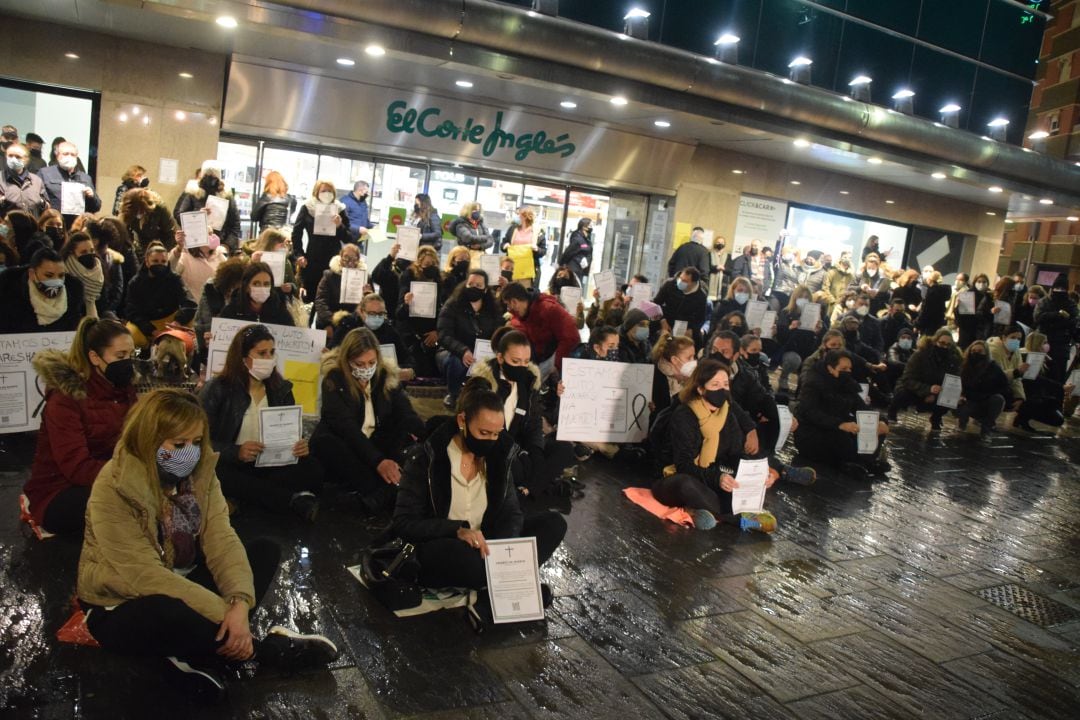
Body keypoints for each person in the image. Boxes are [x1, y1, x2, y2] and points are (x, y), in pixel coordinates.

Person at [77, 388, 338, 702]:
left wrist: (239, 603)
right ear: (149, 439)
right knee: (166, 611)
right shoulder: (114, 486)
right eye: (178, 444)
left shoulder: (199, 473)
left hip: (181, 579)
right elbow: (144, 576)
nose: (191, 452)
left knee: (264, 550)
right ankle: (263, 650)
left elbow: (221, 539)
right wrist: (227, 615)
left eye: (197, 442)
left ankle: (192, 654)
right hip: (118, 602)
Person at [393, 377, 567, 599]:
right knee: (462, 558)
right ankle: (509, 585)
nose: (491, 440)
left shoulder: (499, 456)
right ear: (462, 421)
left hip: (486, 544)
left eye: (496, 433)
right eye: (484, 433)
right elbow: (404, 523)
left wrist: (504, 550)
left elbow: (512, 513)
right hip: (445, 544)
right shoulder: (427, 459)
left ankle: (500, 579)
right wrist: (456, 529)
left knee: (553, 524)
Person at [21, 318, 137, 537]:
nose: (128, 363)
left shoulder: (124, 390)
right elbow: (76, 467)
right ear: (94, 357)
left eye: (132, 355)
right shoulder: (65, 400)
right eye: (121, 356)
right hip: (57, 490)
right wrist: (130, 476)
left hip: (109, 476)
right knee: (124, 511)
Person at [200, 325, 323, 520]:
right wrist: (236, 451)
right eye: (261, 353)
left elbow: (291, 431)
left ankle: (246, 499)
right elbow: (200, 441)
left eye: (272, 352)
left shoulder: (281, 388)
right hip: (231, 463)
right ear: (242, 358)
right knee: (219, 474)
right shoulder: (217, 389)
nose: (268, 359)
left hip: (269, 463)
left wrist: (299, 445)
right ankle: (290, 501)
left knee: (312, 469)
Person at [651, 358, 778, 532]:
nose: (722, 389)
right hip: (675, 476)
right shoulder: (684, 415)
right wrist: (717, 478)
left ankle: (698, 511)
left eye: (726, 384)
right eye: (715, 384)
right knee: (686, 485)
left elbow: (735, 455)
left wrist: (757, 474)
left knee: (734, 485)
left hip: (712, 476)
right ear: (700, 388)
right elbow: (684, 465)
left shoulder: (727, 413)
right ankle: (737, 520)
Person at [310, 328, 424, 514]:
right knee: (370, 474)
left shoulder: (384, 376)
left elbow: (404, 411)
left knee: (409, 453)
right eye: (359, 364)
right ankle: (385, 495)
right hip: (345, 444)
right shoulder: (335, 380)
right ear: (347, 362)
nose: (366, 369)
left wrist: (421, 433)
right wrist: (378, 461)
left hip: (374, 441)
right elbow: (346, 427)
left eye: (371, 363)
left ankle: (378, 498)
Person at [470, 329, 577, 497]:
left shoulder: (528, 382)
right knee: (514, 467)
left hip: (521, 445)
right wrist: (519, 453)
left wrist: (536, 451)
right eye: (515, 361)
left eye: (526, 362)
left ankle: (528, 489)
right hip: (494, 445)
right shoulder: (484, 384)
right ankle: (539, 486)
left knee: (564, 450)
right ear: (500, 358)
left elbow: (533, 422)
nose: (521, 367)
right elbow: (489, 429)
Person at [794, 349, 890, 478]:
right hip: (813, 432)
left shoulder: (847, 384)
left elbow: (860, 407)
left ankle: (865, 461)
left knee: (876, 425)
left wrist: (879, 420)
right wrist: (840, 424)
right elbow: (810, 413)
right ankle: (855, 462)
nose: (848, 372)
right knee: (840, 437)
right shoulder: (813, 383)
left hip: (840, 426)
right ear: (830, 368)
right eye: (844, 368)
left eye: (849, 369)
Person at [437, 268, 503, 407]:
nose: (474, 287)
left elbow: (499, 330)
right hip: (452, 351)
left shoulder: (493, 309)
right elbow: (444, 335)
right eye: (471, 284)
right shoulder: (452, 305)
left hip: (484, 351)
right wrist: (462, 350)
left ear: (485, 289)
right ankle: (453, 394)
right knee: (457, 361)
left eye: (478, 285)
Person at [124, 242, 197, 349]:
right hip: (147, 322)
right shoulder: (135, 283)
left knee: (192, 324)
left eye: (163, 261)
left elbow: (190, 303)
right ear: (147, 262)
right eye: (155, 261)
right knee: (133, 335)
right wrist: (151, 331)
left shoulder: (175, 279)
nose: (160, 264)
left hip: (171, 321)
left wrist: (178, 322)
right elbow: (132, 312)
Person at [888, 328, 961, 431]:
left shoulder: (953, 359)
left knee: (949, 399)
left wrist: (938, 394)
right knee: (902, 393)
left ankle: (936, 418)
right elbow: (907, 378)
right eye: (942, 343)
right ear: (935, 341)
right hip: (916, 388)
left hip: (938, 391)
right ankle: (892, 410)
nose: (944, 347)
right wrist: (927, 390)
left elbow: (953, 380)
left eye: (948, 345)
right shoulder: (920, 355)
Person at [502, 281, 581, 376]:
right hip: (536, 358)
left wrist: (556, 366)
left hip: (553, 359)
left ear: (514, 302)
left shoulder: (549, 309)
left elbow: (571, 337)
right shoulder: (521, 314)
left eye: (508, 305)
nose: (509, 309)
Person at [0, 246, 86, 333]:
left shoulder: (73, 291)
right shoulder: (8, 290)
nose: (56, 281)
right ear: (32, 274)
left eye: (61, 276)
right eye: (49, 275)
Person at [291, 180, 351, 294]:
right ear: (316, 192)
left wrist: (339, 226)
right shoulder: (308, 207)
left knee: (330, 294)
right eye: (323, 191)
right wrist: (299, 254)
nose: (327, 193)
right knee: (310, 294)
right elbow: (296, 233)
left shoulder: (339, 208)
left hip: (334, 260)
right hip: (312, 258)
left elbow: (348, 238)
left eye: (329, 191)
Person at [397, 246, 444, 377]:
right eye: (427, 264)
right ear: (419, 264)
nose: (431, 266)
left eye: (434, 264)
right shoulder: (408, 278)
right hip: (411, 333)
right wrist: (406, 304)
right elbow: (399, 314)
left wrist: (437, 332)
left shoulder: (441, 281)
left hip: (433, 333)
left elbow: (446, 313)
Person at [173, 162, 242, 251]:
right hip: (195, 243)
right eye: (207, 174)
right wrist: (198, 216)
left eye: (213, 175)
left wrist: (227, 246)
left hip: (219, 245)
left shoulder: (226, 195)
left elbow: (235, 224)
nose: (210, 178)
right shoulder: (192, 192)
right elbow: (179, 215)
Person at [36, 141, 101, 227]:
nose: (69, 157)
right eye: (65, 154)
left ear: (77, 157)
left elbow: (96, 207)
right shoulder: (45, 173)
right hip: (53, 225)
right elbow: (36, 200)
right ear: (57, 155)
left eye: (73, 155)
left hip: (77, 227)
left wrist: (91, 197)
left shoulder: (85, 178)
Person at [956, 340, 1010, 441]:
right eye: (974, 351)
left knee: (998, 399)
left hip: (986, 400)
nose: (976, 353)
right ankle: (961, 424)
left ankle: (986, 429)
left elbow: (1004, 386)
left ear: (986, 353)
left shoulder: (993, 367)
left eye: (980, 351)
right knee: (964, 406)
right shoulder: (964, 366)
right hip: (968, 399)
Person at [775, 285, 825, 393]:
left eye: (806, 297)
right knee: (793, 359)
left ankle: (804, 386)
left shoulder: (816, 316)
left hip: (807, 350)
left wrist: (818, 331)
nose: (804, 299)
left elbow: (820, 340)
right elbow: (780, 337)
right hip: (790, 350)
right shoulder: (786, 313)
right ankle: (783, 378)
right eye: (800, 297)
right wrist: (790, 328)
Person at [220, 261, 295, 327]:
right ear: (246, 287)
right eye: (256, 284)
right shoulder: (230, 312)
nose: (262, 288)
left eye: (266, 284)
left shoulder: (280, 312)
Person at [1034, 273, 1078, 382]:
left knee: (1057, 378)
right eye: (1057, 288)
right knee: (1040, 375)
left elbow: (1074, 322)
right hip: (1044, 343)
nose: (1059, 291)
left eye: (1062, 289)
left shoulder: (1070, 304)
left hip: (1061, 346)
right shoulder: (1044, 301)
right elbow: (1038, 318)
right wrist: (1058, 315)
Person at [313, 242, 366, 329]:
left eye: (354, 258)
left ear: (358, 259)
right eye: (346, 257)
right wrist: (329, 322)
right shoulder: (329, 275)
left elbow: (368, 301)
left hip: (355, 323)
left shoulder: (364, 277)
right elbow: (320, 301)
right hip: (331, 321)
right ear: (340, 257)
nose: (350, 262)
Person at [653, 266, 708, 348]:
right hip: (666, 323)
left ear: (693, 283)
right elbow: (656, 304)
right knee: (664, 342)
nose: (680, 282)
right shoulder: (669, 285)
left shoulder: (701, 296)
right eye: (680, 278)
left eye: (685, 281)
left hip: (685, 328)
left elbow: (700, 318)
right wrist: (662, 320)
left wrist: (691, 329)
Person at [169, 226, 227, 301]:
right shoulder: (185, 255)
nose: (212, 237)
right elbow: (171, 269)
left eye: (212, 233)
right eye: (208, 234)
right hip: (193, 304)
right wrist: (179, 248)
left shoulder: (220, 254)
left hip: (216, 304)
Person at [61, 231, 105, 319]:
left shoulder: (99, 270)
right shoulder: (63, 273)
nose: (89, 254)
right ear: (72, 253)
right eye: (83, 252)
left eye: (92, 250)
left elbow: (104, 302)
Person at [652, 333, 697, 414]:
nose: (693, 361)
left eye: (694, 357)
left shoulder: (691, 377)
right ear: (675, 360)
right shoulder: (655, 379)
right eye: (689, 358)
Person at [1, 143, 48, 217]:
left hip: (32, 225)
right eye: (10, 156)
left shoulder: (36, 180)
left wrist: (41, 202)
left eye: (18, 157)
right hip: (7, 226)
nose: (13, 159)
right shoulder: (1, 178)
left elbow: (46, 207)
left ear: (26, 159)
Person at [502, 207, 546, 286]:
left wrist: (536, 249)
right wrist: (505, 245)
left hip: (528, 271)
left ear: (526, 217)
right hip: (512, 269)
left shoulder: (538, 232)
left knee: (524, 293)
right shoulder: (513, 229)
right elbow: (504, 242)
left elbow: (543, 251)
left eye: (519, 215)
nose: (518, 217)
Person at [956, 273, 992, 349]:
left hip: (982, 331)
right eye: (979, 281)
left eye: (984, 282)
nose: (981, 284)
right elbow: (960, 315)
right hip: (967, 330)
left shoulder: (990, 297)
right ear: (974, 282)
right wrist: (959, 306)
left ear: (988, 283)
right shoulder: (968, 294)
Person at [559, 218, 594, 286]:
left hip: (582, 269)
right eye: (590, 225)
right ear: (584, 227)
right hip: (574, 268)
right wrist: (561, 264)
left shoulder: (587, 239)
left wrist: (587, 260)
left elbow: (589, 253)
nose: (591, 227)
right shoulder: (577, 238)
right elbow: (568, 252)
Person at [915, 271, 950, 337]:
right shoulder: (943, 292)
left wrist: (917, 324)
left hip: (928, 325)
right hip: (938, 323)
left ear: (930, 280)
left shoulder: (931, 292)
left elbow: (925, 310)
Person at [341, 180, 374, 247]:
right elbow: (342, 222)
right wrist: (358, 229)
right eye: (366, 192)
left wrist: (373, 227)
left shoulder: (363, 203)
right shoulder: (345, 201)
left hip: (359, 242)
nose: (367, 194)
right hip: (347, 242)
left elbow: (365, 220)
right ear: (360, 190)